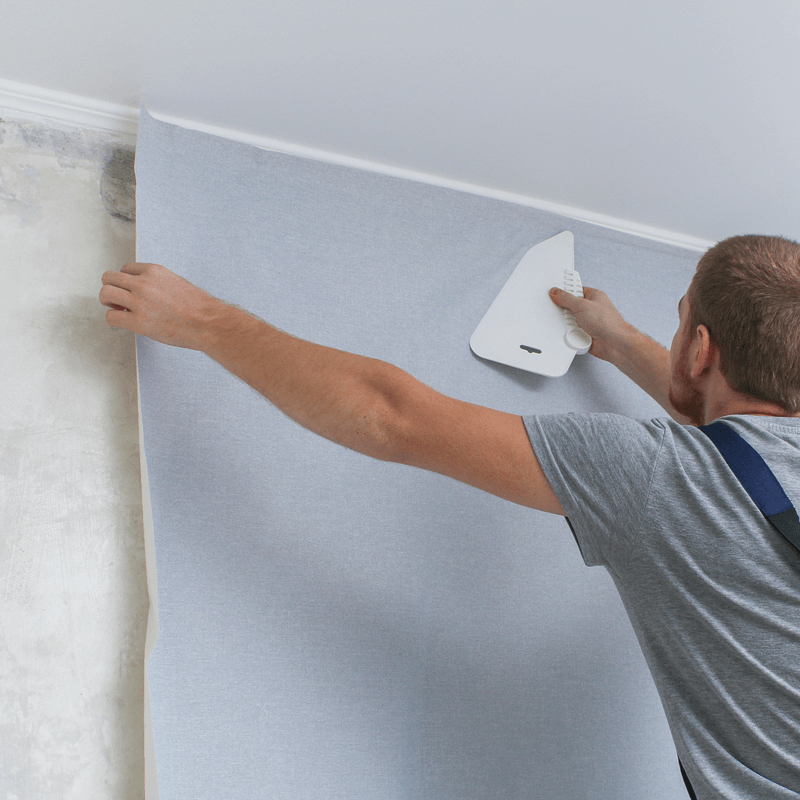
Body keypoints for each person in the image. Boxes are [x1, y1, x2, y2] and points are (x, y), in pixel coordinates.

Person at [100, 233, 800, 798]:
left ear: (700, 349)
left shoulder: (659, 476)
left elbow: (391, 417)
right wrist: (617, 342)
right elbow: (735, 442)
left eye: (679, 322)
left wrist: (203, 321)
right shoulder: (719, 469)